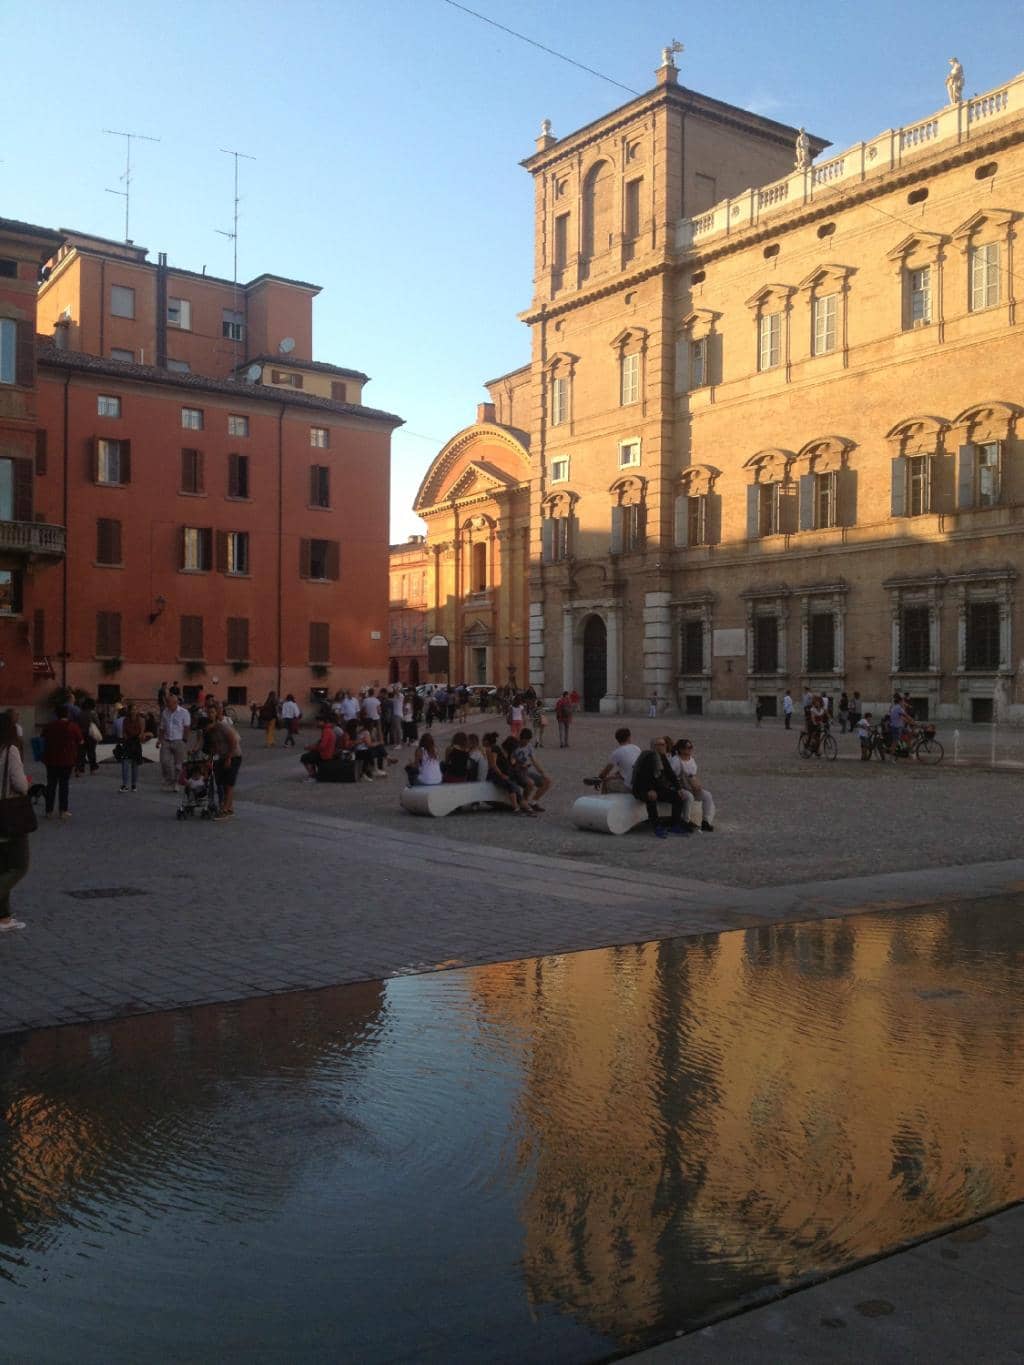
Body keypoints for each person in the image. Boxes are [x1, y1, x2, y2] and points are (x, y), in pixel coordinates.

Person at [0, 712, 31, 931]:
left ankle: (4, 918)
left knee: (2, 866)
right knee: (19, 865)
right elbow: (20, 784)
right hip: (8, 812)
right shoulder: (10, 750)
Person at [631, 737, 686, 839]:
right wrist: (649, 790)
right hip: (641, 789)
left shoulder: (662, 757)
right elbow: (642, 777)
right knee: (652, 799)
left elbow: (670, 774)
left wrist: (679, 788)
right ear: (654, 747)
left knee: (678, 797)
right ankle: (657, 827)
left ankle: (675, 825)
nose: (663, 746)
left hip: (656, 788)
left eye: (664, 744)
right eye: (660, 744)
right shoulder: (649, 757)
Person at [41, 704, 83, 819]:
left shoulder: (50, 726)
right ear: (67, 714)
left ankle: (48, 811)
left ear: (56, 714)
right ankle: (63, 810)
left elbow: (43, 737)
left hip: (51, 759)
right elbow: (80, 740)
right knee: (64, 785)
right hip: (67, 759)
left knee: (51, 785)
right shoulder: (72, 726)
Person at [675, 739, 716, 831]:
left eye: (690, 747)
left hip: (690, 786)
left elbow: (693, 775)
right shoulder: (675, 761)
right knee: (689, 797)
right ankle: (685, 821)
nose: (689, 749)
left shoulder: (691, 760)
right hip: (678, 787)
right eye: (687, 747)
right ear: (680, 749)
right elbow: (671, 777)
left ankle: (705, 821)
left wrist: (697, 786)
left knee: (707, 795)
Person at [210, 709, 242, 818]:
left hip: (234, 755)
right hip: (222, 756)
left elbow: (233, 741)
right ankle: (229, 807)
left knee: (229, 783)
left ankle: (225, 809)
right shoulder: (211, 732)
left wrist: (229, 758)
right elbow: (215, 746)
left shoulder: (222, 727)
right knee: (223, 783)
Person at [592, 727, 641, 794]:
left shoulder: (617, 752)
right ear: (629, 737)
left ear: (617, 739)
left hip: (630, 787)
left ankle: (604, 802)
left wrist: (598, 780)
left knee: (606, 783)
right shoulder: (636, 748)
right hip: (639, 783)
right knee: (613, 777)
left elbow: (605, 773)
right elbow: (630, 766)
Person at [158, 692, 191, 790]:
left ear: (176, 703)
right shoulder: (165, 712)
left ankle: (176, 782)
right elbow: (162, 727)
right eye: (167, 702)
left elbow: (187, 727)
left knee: (178, 765)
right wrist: (160, 739)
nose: (167, 704)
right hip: (167, 740)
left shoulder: (184, 712)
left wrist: (184, 740)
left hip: (178, 740)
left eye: (169, 703)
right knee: (164, 761)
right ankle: (169, 780)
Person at [514, 728, 550, 809]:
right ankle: (524, 802)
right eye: (525, 741)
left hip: (526, 771)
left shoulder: (529, 746)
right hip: (517, 771)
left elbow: (534, 761)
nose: (526, 743)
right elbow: (510, 761)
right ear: (521, 738)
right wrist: (519, 765)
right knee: (530, 783)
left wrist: (542, 772)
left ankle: (533, 802)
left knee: (547, 781)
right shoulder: (514, 745)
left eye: (528, 741)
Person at [119, 703, 147, 792]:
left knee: (135, 765)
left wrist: (140, 736)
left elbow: (142, 733)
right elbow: (123, 732)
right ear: (129, 711)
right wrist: (125, 737)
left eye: (135, 709)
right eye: (132, 709)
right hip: (127, 743)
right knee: (125, 763)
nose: (134, 711)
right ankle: (125, 784)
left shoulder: (141, 720)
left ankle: (134, 785)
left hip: (136, 743)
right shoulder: (125, 720)